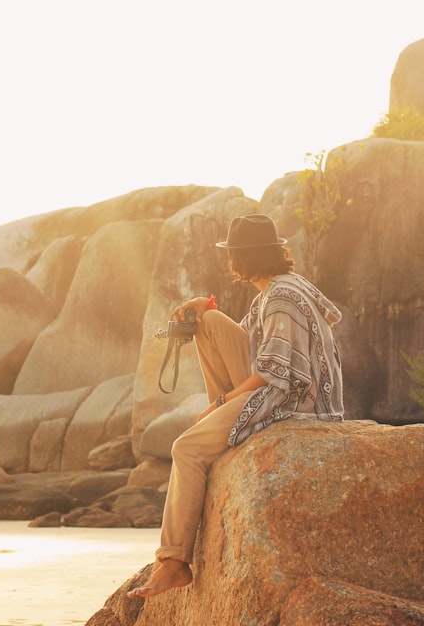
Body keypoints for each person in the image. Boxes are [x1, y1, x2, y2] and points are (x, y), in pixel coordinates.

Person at [126, 213, 344, 599]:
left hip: (293, 399)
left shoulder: (279, 297)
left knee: (187, 448)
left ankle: (173, 562)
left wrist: (223, 403)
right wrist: (204, 308)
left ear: (240, 259)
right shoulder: (279, 289)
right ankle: (221, 414)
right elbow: (245, 341)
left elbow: (275, 370)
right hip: (282, 385)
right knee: (206, 320)